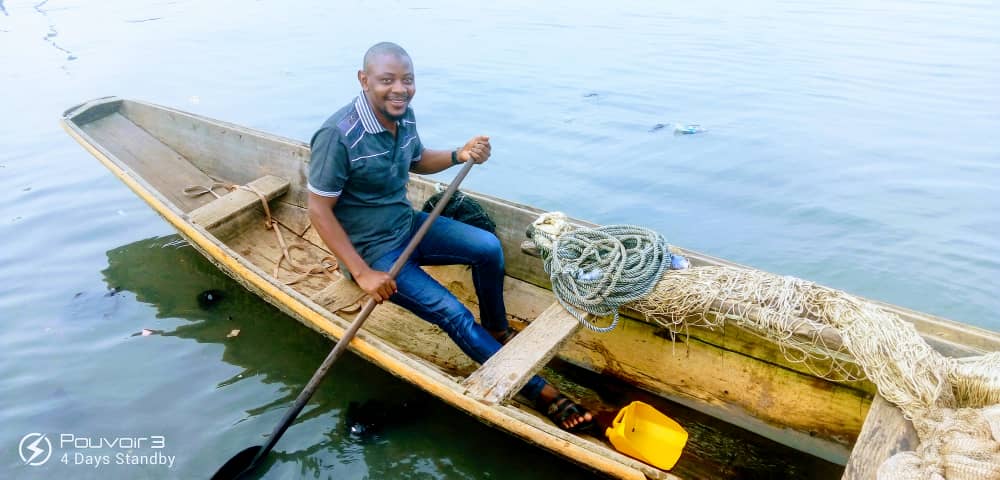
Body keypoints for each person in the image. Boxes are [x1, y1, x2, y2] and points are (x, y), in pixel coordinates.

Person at [307, 42, 593, 432]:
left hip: (407, 225)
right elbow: (318, 209)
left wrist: (459, 155)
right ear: (363, 80)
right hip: (370, 252)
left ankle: (495, 329)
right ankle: (538, 390)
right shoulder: (338, 136)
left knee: (487, 248)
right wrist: (361, 274)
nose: (399, 89)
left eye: (407, 80)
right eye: (387, 80)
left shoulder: (402, 115)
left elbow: (417, 159)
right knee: (452, 313)